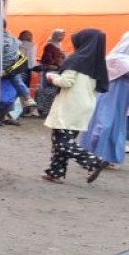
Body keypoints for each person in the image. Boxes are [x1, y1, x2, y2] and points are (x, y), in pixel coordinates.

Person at [42, 28, 109, 184]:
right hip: (84, 106)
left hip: (70, 105)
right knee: (67, 139)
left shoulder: (76, 59)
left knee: (61, 141)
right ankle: (55, 172)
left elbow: (66, 82)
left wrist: (51, 77)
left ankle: (94, 161)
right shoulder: (98, 63)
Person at [79, 31, 129, 168]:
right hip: (113, 93)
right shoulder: (117, 58)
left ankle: (106, 156)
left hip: (122, 95)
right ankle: (95, 155)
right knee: (105, 122)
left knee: (115, 124)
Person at [0, 20, 36, 123]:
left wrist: (7, 70)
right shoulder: (14, 40)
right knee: (17, 86)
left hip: (10, 72)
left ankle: (6, 116)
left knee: (8, 98)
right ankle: (27, 98)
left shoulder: (2, 40)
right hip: (14, 71)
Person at [35, 28, 67, 116]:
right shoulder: (49, 45)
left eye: (63, 36)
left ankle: (47, 109)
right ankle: (42, 109)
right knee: (45, 89)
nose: (62, 37)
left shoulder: (58, 45)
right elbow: (47, 59)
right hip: (49, 69)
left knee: (52, 90)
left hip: (56, 69)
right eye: (60, 35)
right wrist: (55, 63)